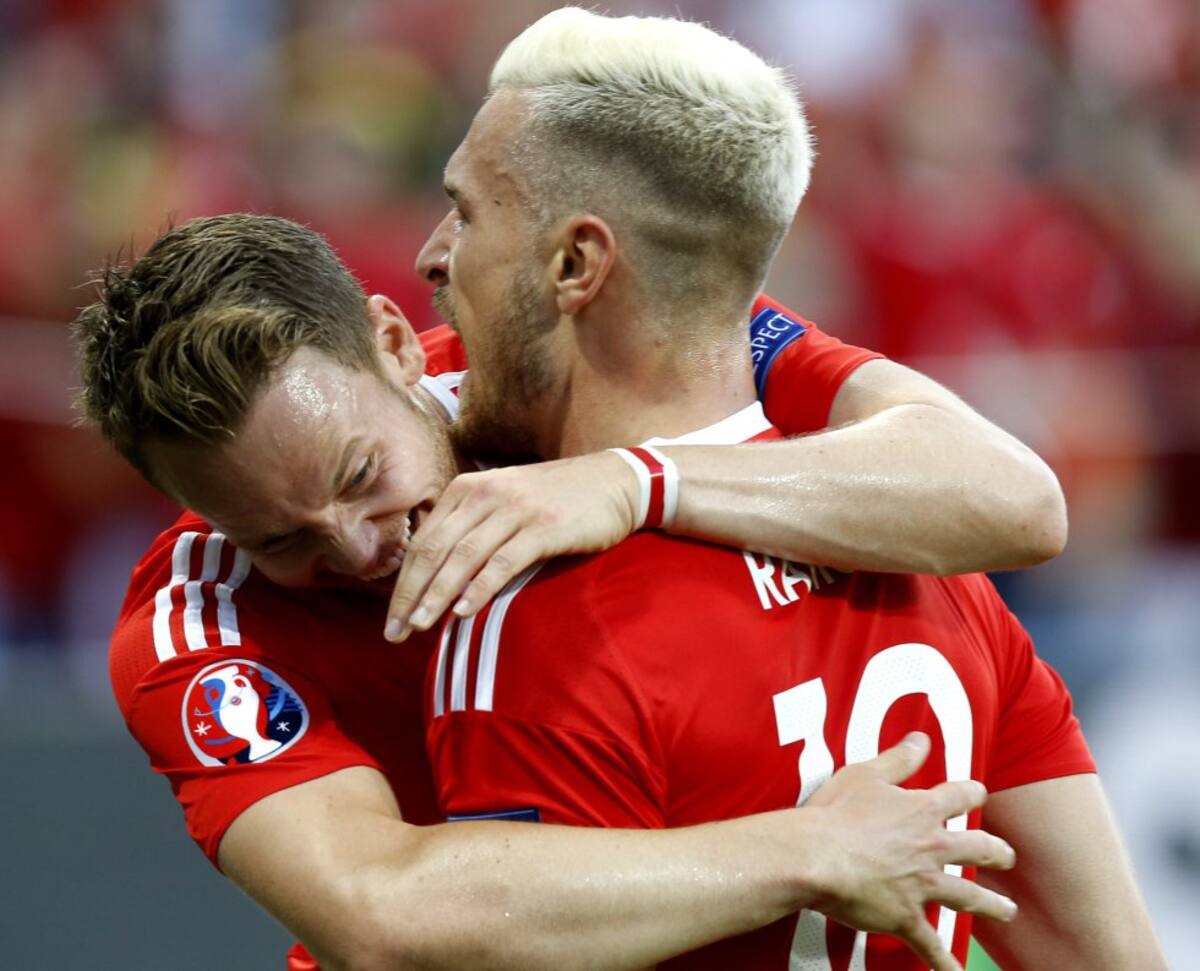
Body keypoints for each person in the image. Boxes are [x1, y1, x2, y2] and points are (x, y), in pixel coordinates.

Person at [410, 8, 1165, 970]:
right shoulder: (930, 564)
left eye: (468, 212)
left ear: (576, 264)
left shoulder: (536, 611)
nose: (434, 254)